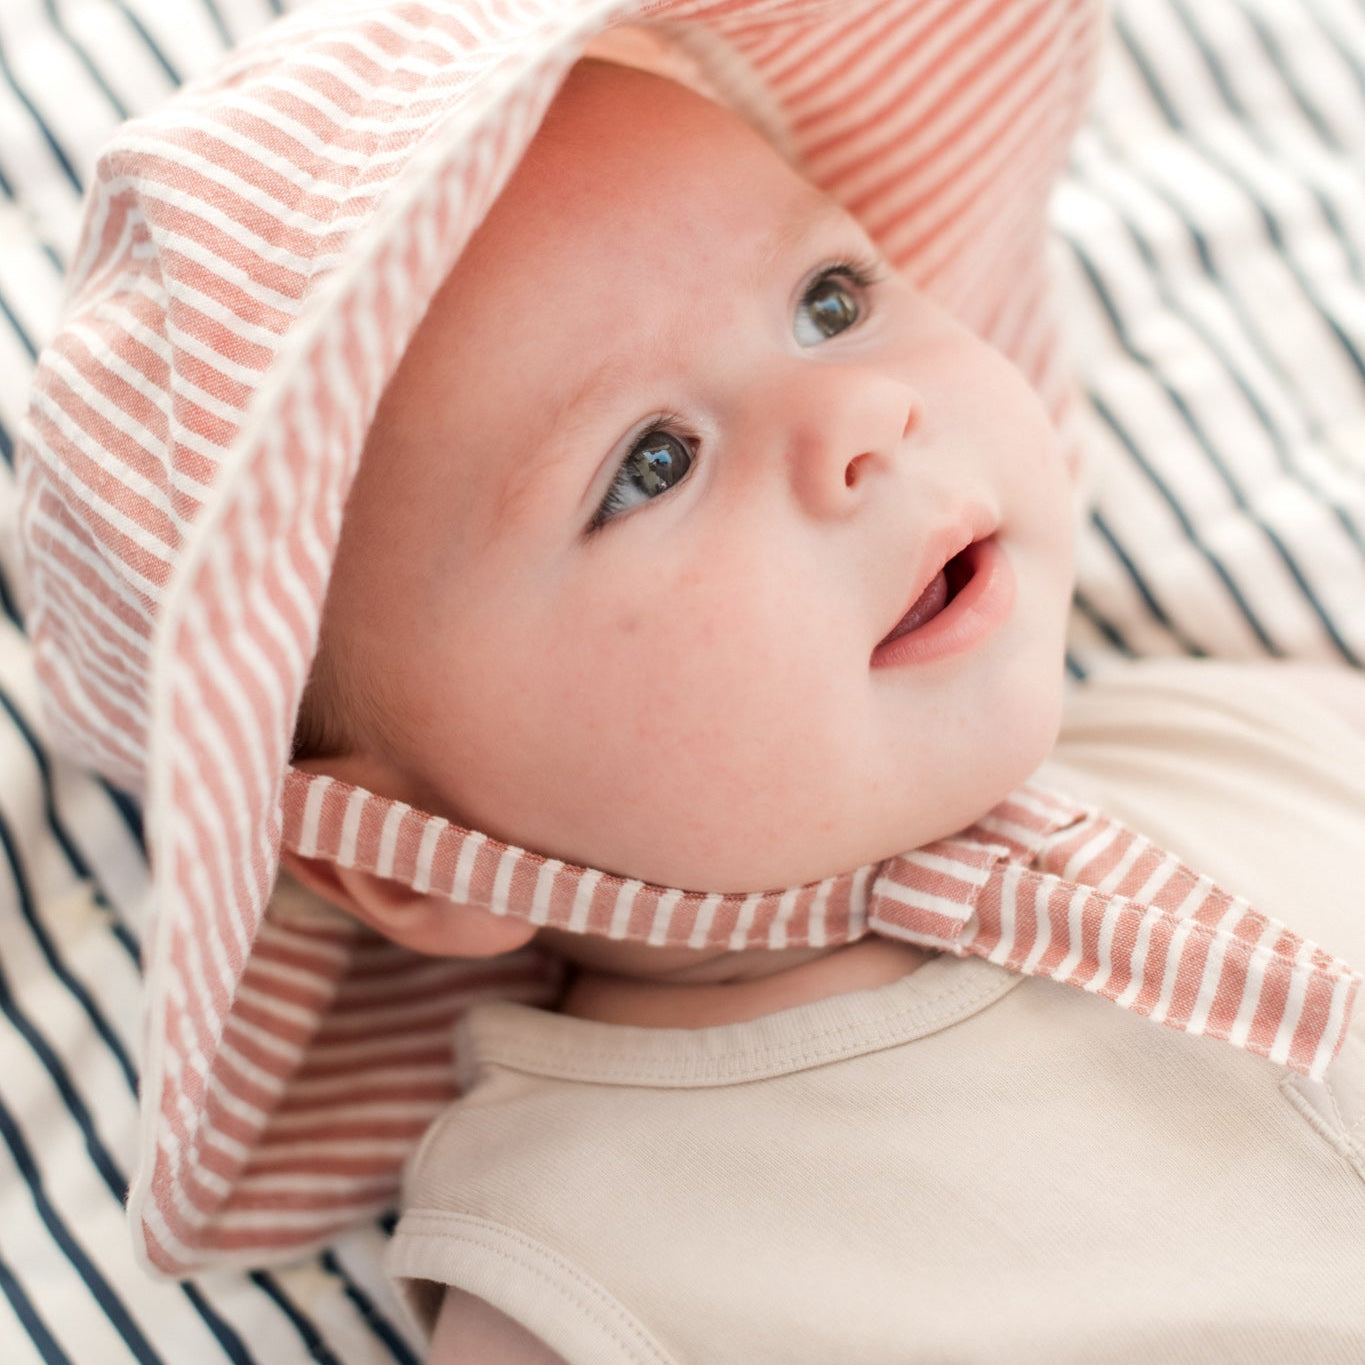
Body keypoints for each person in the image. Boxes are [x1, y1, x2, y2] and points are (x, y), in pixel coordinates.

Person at [15, 2, 1365, 1360]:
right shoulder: (582, 1259)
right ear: (415, 862)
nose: (860, 419)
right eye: (649, 464)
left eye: (827, 301)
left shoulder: (1246, 727)